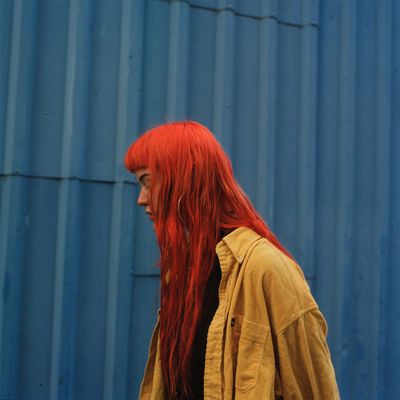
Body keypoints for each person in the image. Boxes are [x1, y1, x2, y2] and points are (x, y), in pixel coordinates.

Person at [125, 121, 340, 399]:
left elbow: (314, 387)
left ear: (183, 179)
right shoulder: (183, 271)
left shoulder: (265, 267)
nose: (141, 199)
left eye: (148, 182)